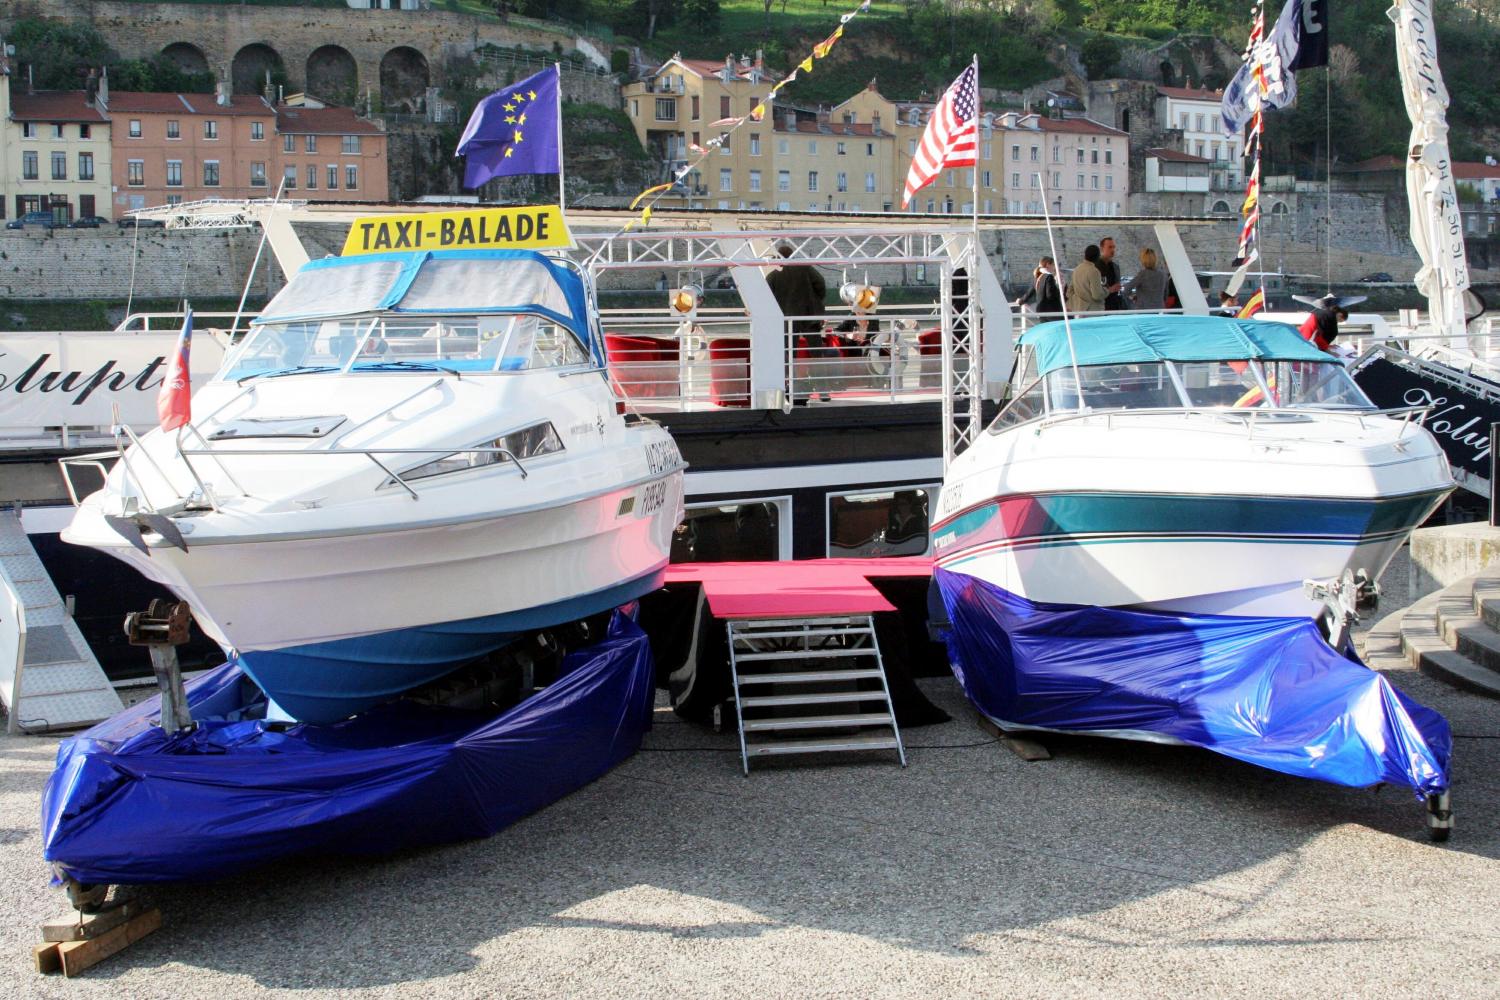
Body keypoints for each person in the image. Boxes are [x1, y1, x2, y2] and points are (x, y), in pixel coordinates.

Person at [766, 243, 827, 334]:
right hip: (810, 313)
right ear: (792, 256)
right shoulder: (806, 268)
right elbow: (820, 283)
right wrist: (818, 299)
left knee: (789, 345)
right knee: (815, 344)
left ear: (778, 258)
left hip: (787, 316)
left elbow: (766, 297)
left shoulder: (772, 276)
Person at [1066, 244, 1106, 315]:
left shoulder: (1077, 269)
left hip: (1078, 310)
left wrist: (1077, 301)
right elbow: (1096, 295)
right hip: (1092, 311)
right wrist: (1107, 290)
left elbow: (1069, 292)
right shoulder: (1094, 271)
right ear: (1098, 256)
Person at [1099, 236, 1124, 310]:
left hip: (1115, 305)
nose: (1113, 250)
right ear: (1102, 248)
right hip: (1101, 307)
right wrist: (1110, 289)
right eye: (1110, 247)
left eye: (1113, 247)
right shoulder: (1095, 267)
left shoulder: (1115, 266)